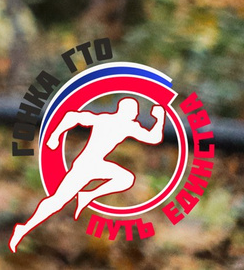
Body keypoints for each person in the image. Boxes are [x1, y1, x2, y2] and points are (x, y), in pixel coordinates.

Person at [10, 95, 170, 250]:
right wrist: (55, 136)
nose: (134, 116)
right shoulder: (107, 120)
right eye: (133, 112)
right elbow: (72, 116)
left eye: (135, 113)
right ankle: (24, 229)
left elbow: (154, 138)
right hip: (85, 165)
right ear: (123, 111)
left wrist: (160, 118)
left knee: (126, 178)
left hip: (97, 164)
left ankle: (87, 196)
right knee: (57, 201)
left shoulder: (127, 125)